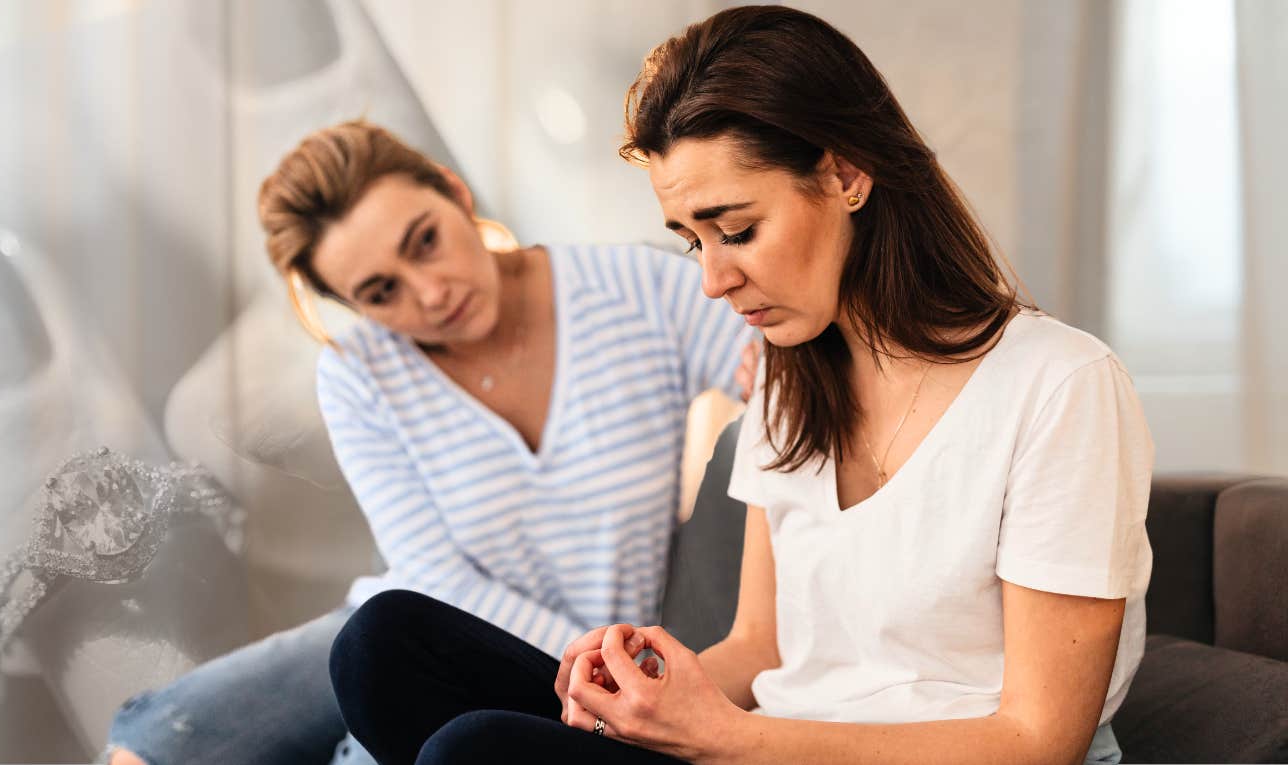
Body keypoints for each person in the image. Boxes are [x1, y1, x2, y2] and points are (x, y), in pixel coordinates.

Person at [330, 7, 1153, 765]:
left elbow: (1039, 738)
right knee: (385, 643)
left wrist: (733, 739)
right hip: (764, 747)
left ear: (847, 175)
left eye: (737, 230)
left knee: (472, 752)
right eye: (693, 241)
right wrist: (647, 685)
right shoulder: (790, 381)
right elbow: (760, 647)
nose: (713, 281)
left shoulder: (1059, 385)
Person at [103, 119, 754, 765]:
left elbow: (784, 360)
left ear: (454, 193)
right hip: (427, 630)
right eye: (383, 292)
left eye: (424, 241)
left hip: (579, 667)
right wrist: (595, 668)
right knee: (148, 747)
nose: (432, 292)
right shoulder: (361, 375)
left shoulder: (630, 289)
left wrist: (611, 672)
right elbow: (435, 575)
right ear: (355, 306)